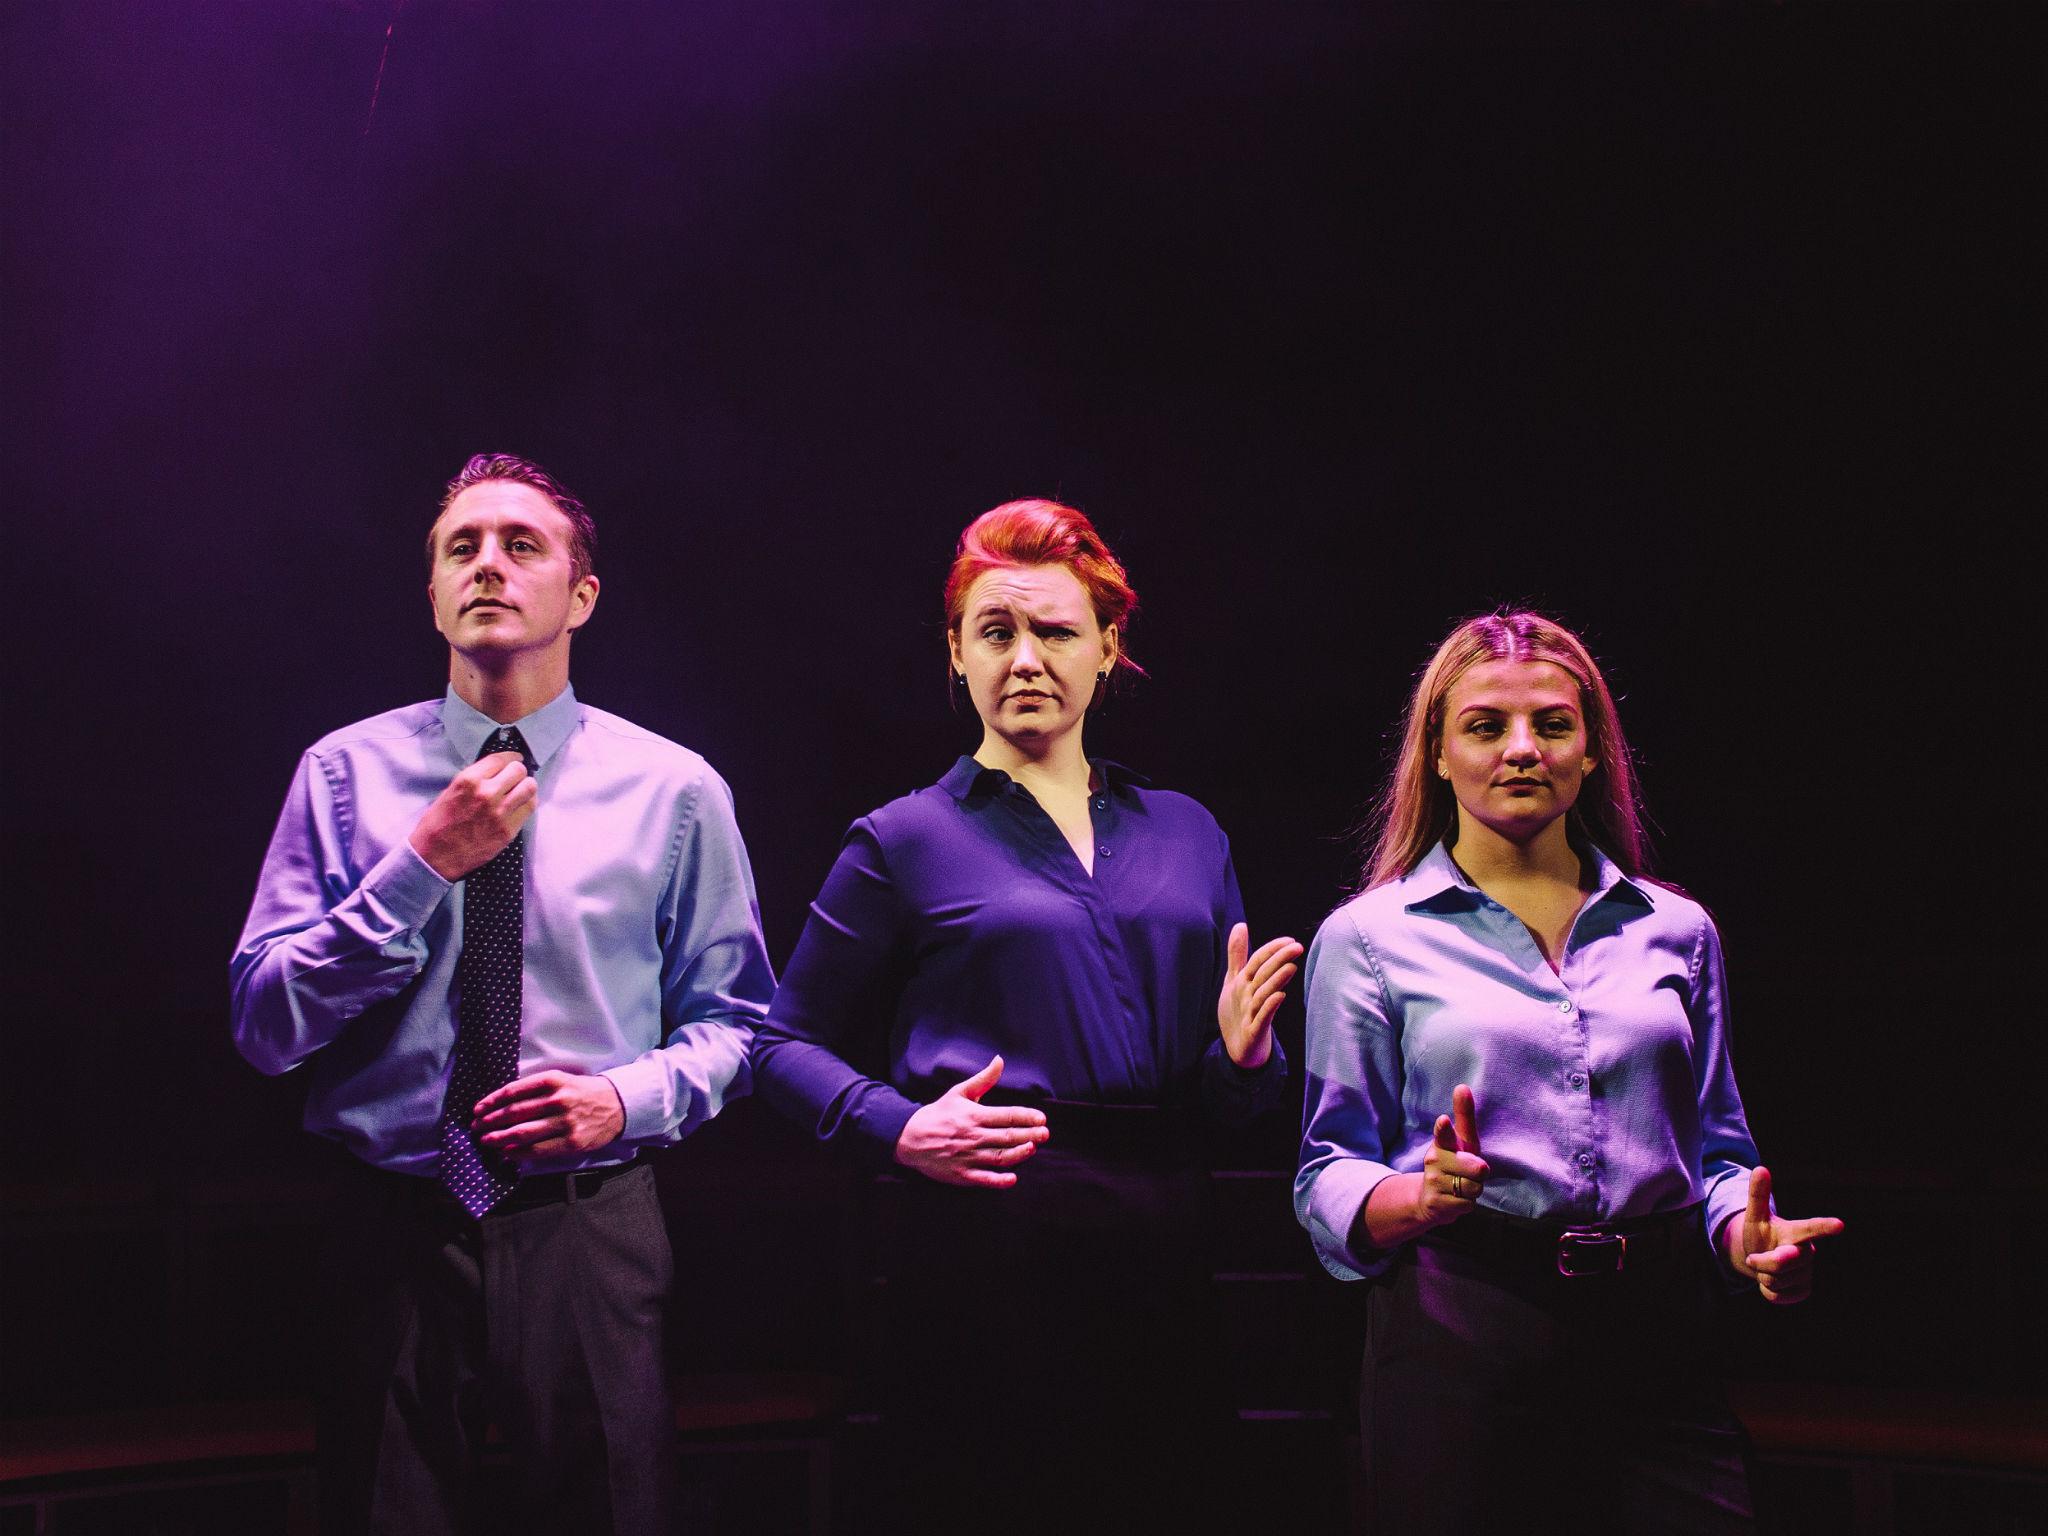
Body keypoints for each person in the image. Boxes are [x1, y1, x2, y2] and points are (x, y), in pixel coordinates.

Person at [230, 454, 775, 1535]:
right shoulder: (339, 775)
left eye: (522, 545)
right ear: (430, 591)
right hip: (391, 1222)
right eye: (460, 547)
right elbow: (263, 1024)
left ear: (579, 596)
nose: (488, 564)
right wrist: (421, 863)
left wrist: (624, 1100)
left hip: (588, 1227)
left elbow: (742, 1027)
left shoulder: (675, 790)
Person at [750, 498, 1302, 1535]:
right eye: (994, 632)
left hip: (1163, 1227)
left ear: (1107, 649)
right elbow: (779, 1045)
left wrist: (1244, 1058)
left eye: (1053, 630)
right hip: (985, 1230)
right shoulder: (904, 838)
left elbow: (1236, 1105)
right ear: (955, 656)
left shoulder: (1185, 832)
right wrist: (898, 1126)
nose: (1024, 657)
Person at [1295, 610, 1844, 1535]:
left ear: (1592, 751)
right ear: (1436, 752)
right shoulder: (1369, 939)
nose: (1522, 749)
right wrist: (1416, 1198)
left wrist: (1746, 1243)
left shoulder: (1678, 931)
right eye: (1485, 726)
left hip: (1654, 1337)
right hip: (1465, 1330)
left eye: (1552, 725)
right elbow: (1327, 1174)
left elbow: (1714, 1158)